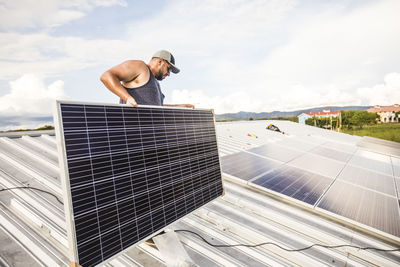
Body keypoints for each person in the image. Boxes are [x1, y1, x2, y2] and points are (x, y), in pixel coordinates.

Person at [100, 50, 194, 108]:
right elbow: (106, 76)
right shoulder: (140, 67)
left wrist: (179, 107)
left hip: (149, 136)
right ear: (160, 62)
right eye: (168, 68)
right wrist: (127, 98)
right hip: (133, 134)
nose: (169, 74)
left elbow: (154, 108)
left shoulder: (155, 83)